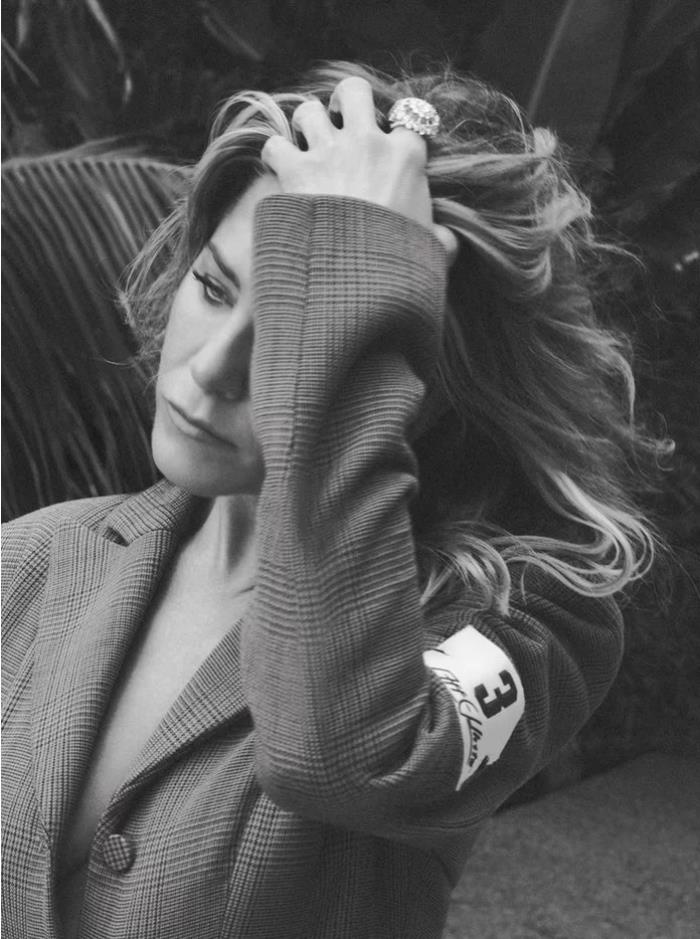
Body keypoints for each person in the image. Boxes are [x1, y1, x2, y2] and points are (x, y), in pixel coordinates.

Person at [2, 61, 667, 939]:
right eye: (214, 287)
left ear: (418, 374)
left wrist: (355, 270)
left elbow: (345, 755)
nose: (211, 369)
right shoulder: (30, 559)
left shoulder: (526, 624)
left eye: (294, 330)